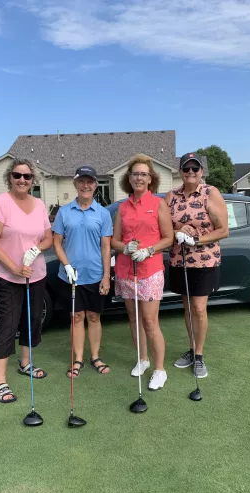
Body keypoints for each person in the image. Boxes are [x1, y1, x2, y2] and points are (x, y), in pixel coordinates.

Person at [0, 158, 53, 403]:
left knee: (32, 321)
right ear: (9, 178)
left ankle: (25, 363)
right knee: (8, 325)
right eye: (17, 175)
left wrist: (36, 250)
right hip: (7, 277)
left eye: (27, 176)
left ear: (33, 180)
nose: (22, 180)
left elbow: (47, 238)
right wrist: (13, 267)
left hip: (36, 275)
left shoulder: (39, 204)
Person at [111, 154, 173, 390]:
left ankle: (159, 369)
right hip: (126, 269)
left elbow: (168, 238)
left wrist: (149, 250)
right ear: (129, 178)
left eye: (143, 174)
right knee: (134, 318)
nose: (139, 178)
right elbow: (115, 241)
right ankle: (143, 359)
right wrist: (124, 248)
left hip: (150, 270)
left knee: (149, 320)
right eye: (135, 173)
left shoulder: (158, 204)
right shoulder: (122, 208)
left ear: (150, 179)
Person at [165, 152, 229, 378]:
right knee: (188, 309)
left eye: (195, 168)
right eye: (186, 168)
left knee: (199, 309)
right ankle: (192, 350)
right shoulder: (171, 196)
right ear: (180, 171)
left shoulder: (211, 193)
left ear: (202, 171)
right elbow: (162, 229)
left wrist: (196, 239)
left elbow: (223, 230)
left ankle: (199, 355)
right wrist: (178, 231)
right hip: (179, 260)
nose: (190, 172)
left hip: (204, 261)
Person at [52, 166, 113, 378]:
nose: (86, 185)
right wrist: (66, 265)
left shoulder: (103, 214)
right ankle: (78, 359)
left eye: (90, 182)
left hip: (95, 275)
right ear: (75, 184)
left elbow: (106, 247)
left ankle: (95, 356)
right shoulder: (64, 212)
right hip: (70, 276)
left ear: (95, 185)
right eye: (81, 181)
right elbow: (56, 243)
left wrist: (106, 276)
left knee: (94, 317)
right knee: (76, 317)